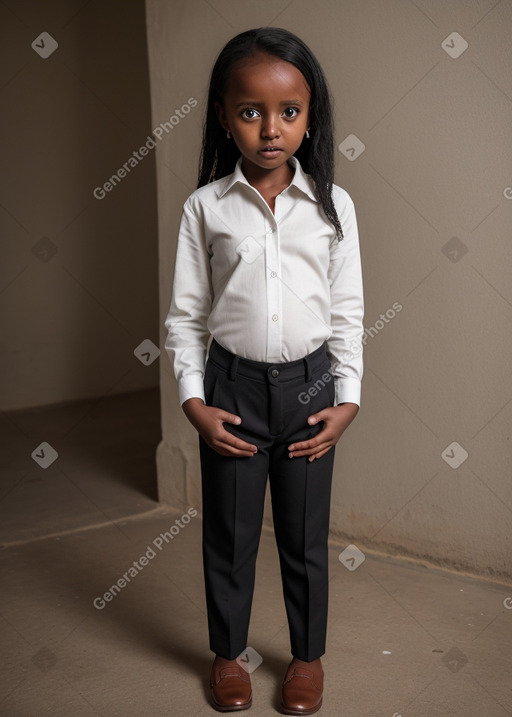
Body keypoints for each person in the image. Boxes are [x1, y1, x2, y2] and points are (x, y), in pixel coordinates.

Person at [164, 27, 364, 715]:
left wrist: (349, 398)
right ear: (225, 116)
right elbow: (186, 317)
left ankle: (307, 659)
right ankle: (229, 654)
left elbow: (348, 313)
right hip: (233, 389)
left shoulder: (334, 210)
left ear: (311, 118)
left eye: (289, 112)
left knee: (306, 537)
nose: (270, 129)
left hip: (312, 389)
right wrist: (194, 400)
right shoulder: (206, 209)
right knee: (230, 532)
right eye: (250, 111)